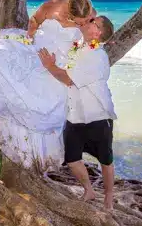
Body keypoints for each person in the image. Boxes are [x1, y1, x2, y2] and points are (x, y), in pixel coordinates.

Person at [0, 0, 95, 171]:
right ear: (69, 13)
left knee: (29, 84)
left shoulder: (89, 12)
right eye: (79, 21)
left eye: (85, 20)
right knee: (11, 73)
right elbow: (35, 21)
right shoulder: (51, 6)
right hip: (35, 52)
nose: (83, 24)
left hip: (57, 64)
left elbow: (92, 39)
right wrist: (30, 39)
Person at [38, 16, 116, 210]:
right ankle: (88, 190)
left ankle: (108, 197)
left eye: (93, 21)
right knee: (72, 159)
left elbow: (68, 79)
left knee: (106, 160)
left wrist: (49, 66)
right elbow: (67, 68)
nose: (88, 21)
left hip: (97, 115)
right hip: (74, 114)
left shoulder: (97, 56)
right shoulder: (78, 47)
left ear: (97, 33)